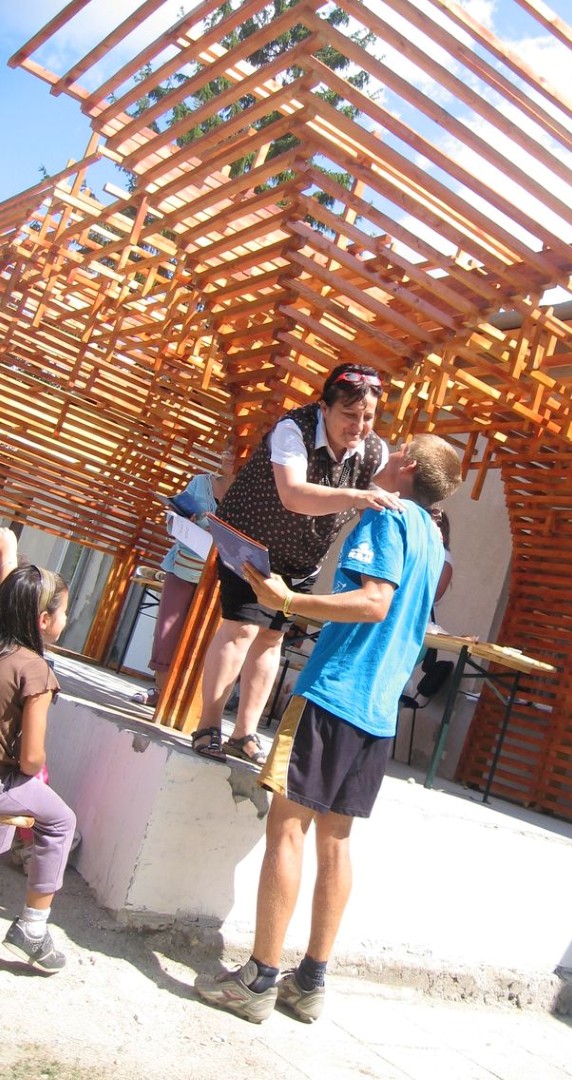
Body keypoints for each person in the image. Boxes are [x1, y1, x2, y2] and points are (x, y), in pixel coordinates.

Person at [193, 434, 462, 1023]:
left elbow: (373, 602)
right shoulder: (432, 536)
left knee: (287, 831)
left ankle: (258, 981)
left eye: (398, 447)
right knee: (335, 841)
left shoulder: (385, 516)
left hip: (333, 694)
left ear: (406, 465)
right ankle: (310, 981)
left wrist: (288, 600)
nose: (383, 451)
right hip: (377, 714)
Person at [191, 363, 403, 766]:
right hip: (251, 540)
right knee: (241, 627)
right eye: (350, 415)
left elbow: (394, 490)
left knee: (272, 637)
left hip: (303, 556)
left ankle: (244, 734)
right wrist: (357, 496)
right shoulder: (294, 429)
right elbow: (293, 495)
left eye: (368, 417)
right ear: (324, 407)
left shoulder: (374, 451)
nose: (359, 426)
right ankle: (208, 726)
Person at [0, 563, 76, 974]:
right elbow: (31, 758)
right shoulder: (35, 670)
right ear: (44, 620)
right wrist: (37, 764)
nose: (68, 618)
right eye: (64, 611)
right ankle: (33, 926)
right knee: (62, 821)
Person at [131, 450, 236, 708]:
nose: (228, 455)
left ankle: (190, 702)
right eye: (228, 449)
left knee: (204, 640)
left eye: (236, 452)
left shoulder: (248, 494)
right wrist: (180, 518)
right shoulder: (200, 482)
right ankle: (160, 691)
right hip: (181, 566)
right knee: (167, 631)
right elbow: (175, 519)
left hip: (218, 577)